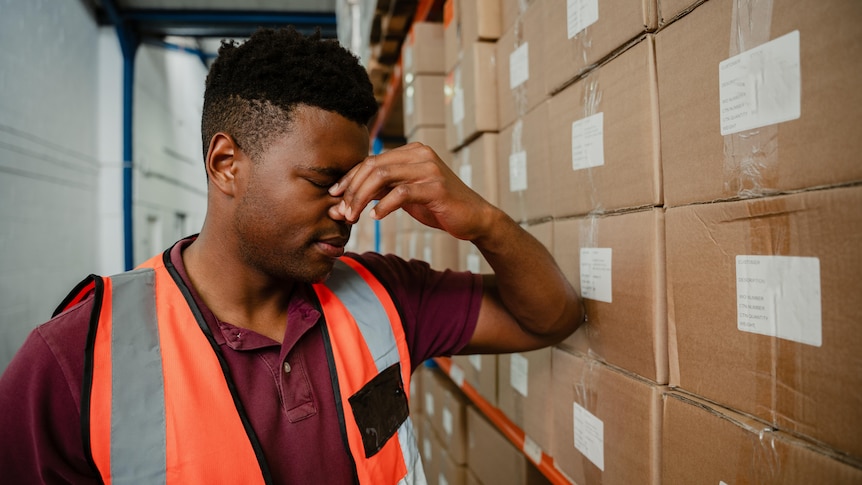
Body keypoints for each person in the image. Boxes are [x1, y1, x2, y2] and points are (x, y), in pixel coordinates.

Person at [0, 27, 583, 484]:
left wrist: (484, 222)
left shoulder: (384, 296)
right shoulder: (71, 361)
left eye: (357, 188)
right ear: (226, 163)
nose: (348, 212)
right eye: (323, 182)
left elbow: (550, 317)